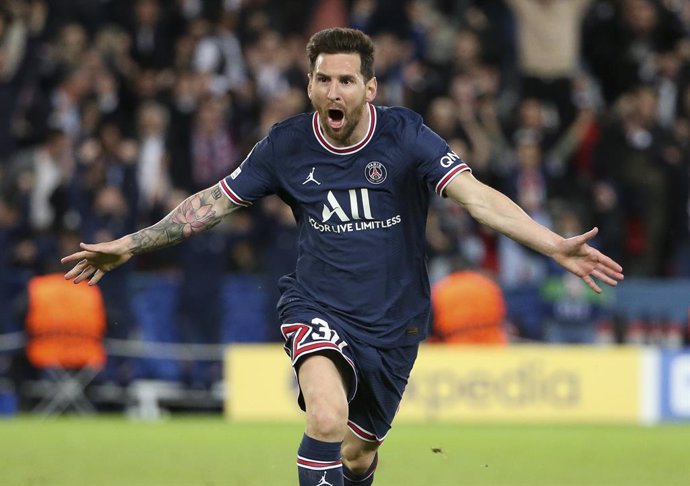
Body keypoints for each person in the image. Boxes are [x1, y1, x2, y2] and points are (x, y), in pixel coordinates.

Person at [61, 27, 624, 486]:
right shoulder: (285, 145)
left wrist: (553, 244)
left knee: (356, 456)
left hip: (395, 324)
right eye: (323, 80)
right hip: (317, 304)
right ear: (309, 84)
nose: (335, 92)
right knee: (325, 417)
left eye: (347, 81)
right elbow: (209, 204)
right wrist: (131, 244)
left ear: (370, 88)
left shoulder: (406, 136)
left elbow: (475, 197)